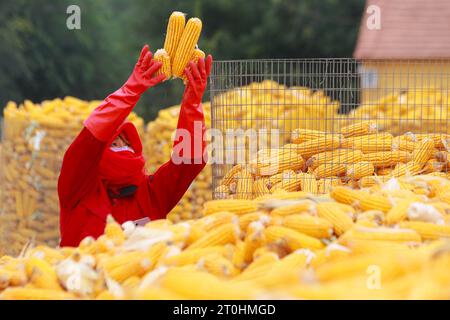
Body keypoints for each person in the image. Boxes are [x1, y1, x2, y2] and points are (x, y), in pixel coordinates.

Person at [58, 44, 213, 247]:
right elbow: (92, 136)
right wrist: (131, 89)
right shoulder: (78, 189)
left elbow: (188, 162)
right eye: (114, 143)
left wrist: (192, 103)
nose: (123, 148)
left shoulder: (151, 194)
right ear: (97, 153)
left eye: (126, 143)